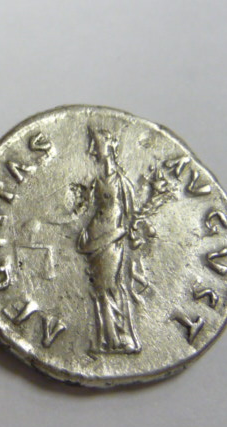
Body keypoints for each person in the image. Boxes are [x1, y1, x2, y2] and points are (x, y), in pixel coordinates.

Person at [77, 127, 141, 354]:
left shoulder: (122, 183)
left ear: (110, 144)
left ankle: (123, 339)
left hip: (112, 241)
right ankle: (105, 340)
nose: (91, 150)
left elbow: (131, 219)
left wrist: (114, 236)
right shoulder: (97, 181)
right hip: (94, 240)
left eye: (95, 144)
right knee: (99, 289)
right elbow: (90, 211)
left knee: (111, 285)